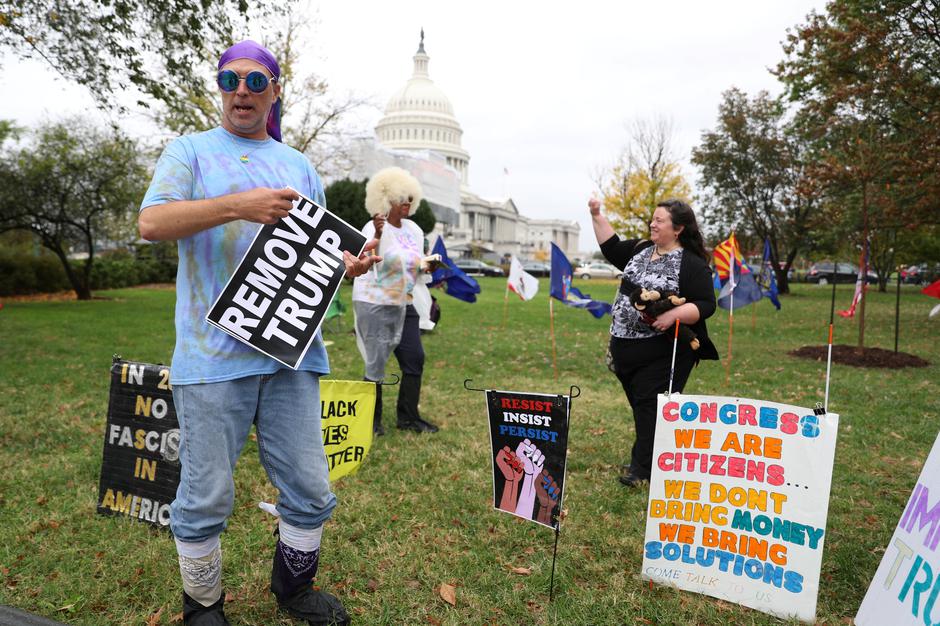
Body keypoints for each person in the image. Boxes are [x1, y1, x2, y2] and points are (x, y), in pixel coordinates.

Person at [138, 40, 377, 626]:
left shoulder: (299, 166)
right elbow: (151, 222)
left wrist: (346, 265)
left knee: (310, 488)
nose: (240, 90)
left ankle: (294, 590)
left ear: (274, 91)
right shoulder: (189, 152)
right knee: (207, 496)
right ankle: (203, 606)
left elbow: (321, 251)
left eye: (254, 79)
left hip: (291, 355)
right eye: (228, 79)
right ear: (220, 88)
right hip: (212, 356)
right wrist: (236, 205)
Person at [588, 197, 719, 488]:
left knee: (650, 406)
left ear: (678, 229)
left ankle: (642, 470)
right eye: (653, 219)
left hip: (664, 351)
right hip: (624, 349)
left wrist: (673, 314)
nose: (652, 224)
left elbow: (707, 304)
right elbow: (610, 246)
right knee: (641, 406)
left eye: (660, 220)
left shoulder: (691, 264)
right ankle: (650, 457)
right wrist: (596, 214)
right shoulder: (641, 249)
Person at [352, 167, 440, 435]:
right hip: (375, 302)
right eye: (402, 198)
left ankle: (409, 417)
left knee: (415, 358)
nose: (407, 204)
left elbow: (416, 261)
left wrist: (428, 265)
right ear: (386, 200)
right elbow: (366, 259)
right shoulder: (373, 227)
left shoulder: (413, 229)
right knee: (375, 362)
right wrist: (377, 237)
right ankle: (371, 421)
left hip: (405, 301)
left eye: (411, 198)